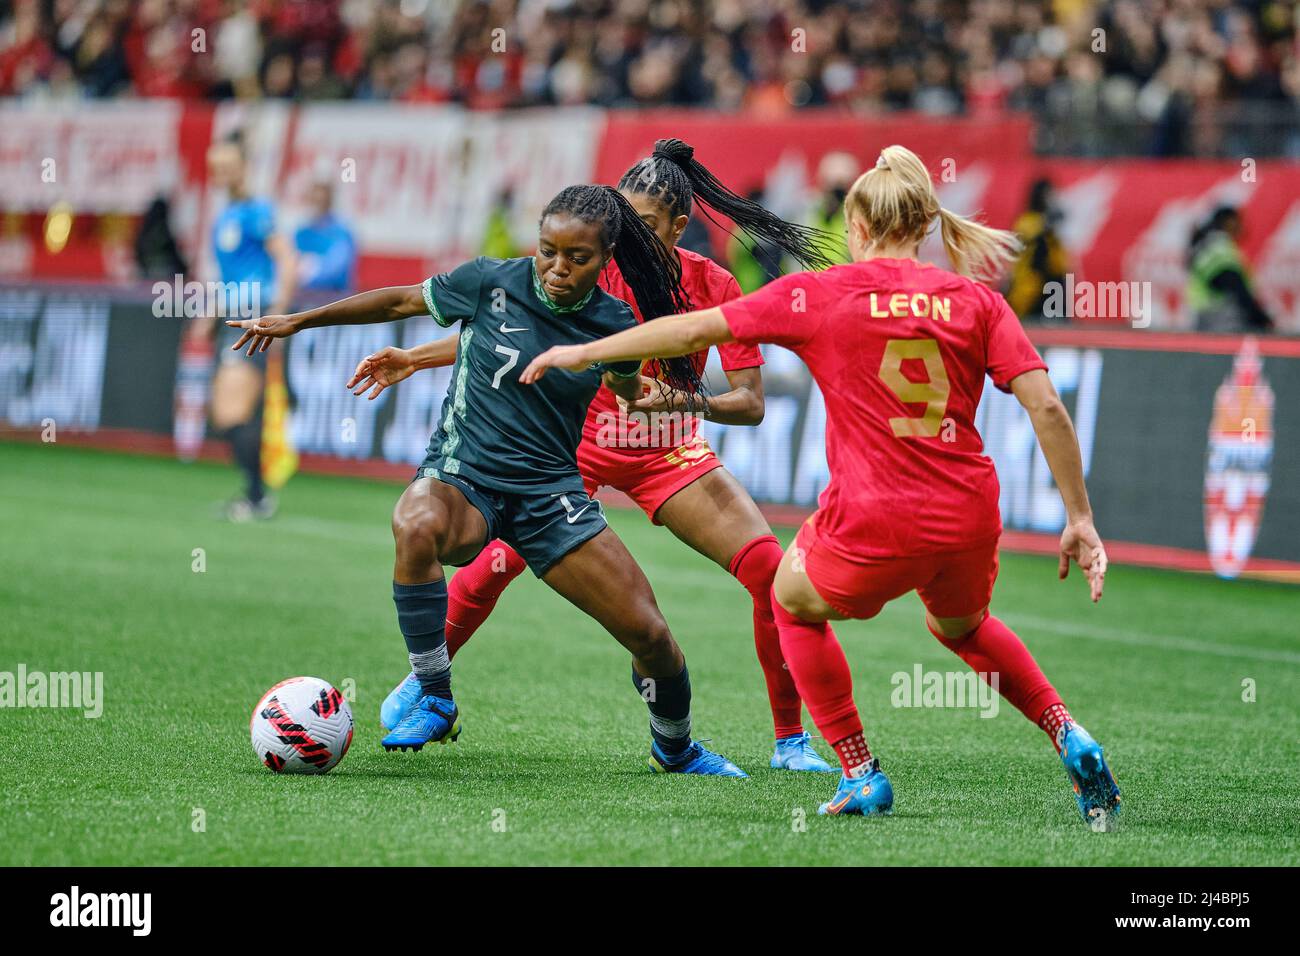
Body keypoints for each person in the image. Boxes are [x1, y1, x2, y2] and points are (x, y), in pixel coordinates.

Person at [520, 145, 1122, 830]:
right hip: (970, 512)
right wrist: (1079, 517)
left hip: (874, 514)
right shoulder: (977, 301)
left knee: (791, 600)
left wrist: (583, 350)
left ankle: (860, 770)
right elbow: (1045, 406)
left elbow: (690, 327)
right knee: (967, 627)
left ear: (858, 226)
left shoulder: (821, 294)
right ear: (926, 225)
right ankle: (1066, 729)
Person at [226, 184, 746, 777]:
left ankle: (675, 749)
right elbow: (398, 302)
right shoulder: (491, 281)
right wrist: (299, 320)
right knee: (415, 523)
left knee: (651, 637)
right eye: (548, 250)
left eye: (577, 258)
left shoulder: (614, 323)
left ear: (606, 259)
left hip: (551, 495)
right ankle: (434, 694)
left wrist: (678, 403)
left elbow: (630, 389)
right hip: (464, 474)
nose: (557, 267)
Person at [359, 139, 841, 773]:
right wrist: (415, 357)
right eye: (621, 225)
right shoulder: (591, 267)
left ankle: (789, 741)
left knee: (769, 572)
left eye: (643, 228)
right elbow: (508, 336)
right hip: (574, 453)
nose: (627, 242)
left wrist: (676, 403)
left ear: (678, 224)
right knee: (494, 564)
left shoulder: (714, 284)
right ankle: (426, 682)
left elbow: (750, 404)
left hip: (668, 454)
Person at [202, 133, 297, 521]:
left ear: (243, 167)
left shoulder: (258, 212)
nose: (221, 173)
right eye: (215, 167)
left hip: (254, 318)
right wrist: (207, 315)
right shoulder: (225, 216)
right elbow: (229, 276)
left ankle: (257, 497)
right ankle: (256, 496)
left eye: (227, 165)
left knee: (233, 411)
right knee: (231, 414)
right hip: (232, 316)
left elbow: (287, 261)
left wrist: (279, 315)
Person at [1187, 205, 1273, 332]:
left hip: (1207, 318)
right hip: (1222, 321)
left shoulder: (1207, 244)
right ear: (1229, 221)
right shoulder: (1219, 248)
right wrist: (1259, 318)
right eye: (1239, 221)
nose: (1242, 226)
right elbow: (1233, 284)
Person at [1007, 178, 1070, 323]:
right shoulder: (1026, 222)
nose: (1052, 199)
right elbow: (1028, 251)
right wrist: (1047, 226)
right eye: (1048, 194)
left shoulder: (1051, 225)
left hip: (1051, 289)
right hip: (1029, 290)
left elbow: (1059, 261)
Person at [294, 178, 357, 294]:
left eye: (321, 201)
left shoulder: (341, 232)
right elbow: (290, 260)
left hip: (334, 298)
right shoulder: (302, 233)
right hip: (304, 297)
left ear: (330, 201)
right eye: (314, 200)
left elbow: (336, 268)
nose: (317, 205)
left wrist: (308, 273)